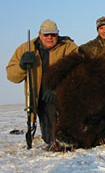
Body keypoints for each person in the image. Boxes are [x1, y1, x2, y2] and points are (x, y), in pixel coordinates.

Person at [6, 19, 78, 147]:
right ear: (40, 35)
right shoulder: (25, 48)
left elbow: (79, 72)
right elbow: (12, 75)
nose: (50, 37)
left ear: (58, 34)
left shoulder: (69, 47)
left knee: (64, 134)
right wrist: (22, 66)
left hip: (63, 98)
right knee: (48, 138)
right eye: (46, 35)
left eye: (53, 35)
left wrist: (58, 90)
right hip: (39, 99)